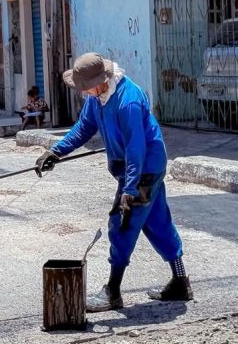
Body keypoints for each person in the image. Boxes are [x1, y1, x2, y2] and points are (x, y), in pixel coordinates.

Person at [35, 53, 192, 312]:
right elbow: (83, 128)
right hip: (136, 169)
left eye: (86, 87)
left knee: (122, 224)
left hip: (144, 171)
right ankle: (180, 281)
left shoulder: (127, 101)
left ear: (103, 80)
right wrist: (56, 152)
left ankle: (113, 292)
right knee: (157, 222)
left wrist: (129, 189)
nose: (84, 92)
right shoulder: (98, 98)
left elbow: (136, 148)